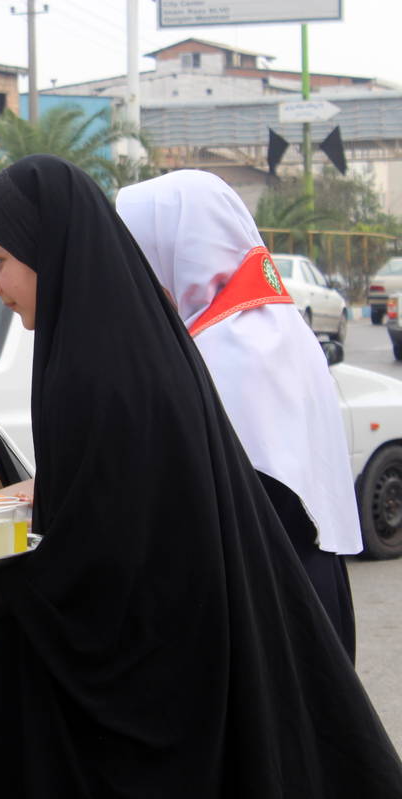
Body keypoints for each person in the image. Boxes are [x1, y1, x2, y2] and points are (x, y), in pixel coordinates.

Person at [0, 155, 402, 797]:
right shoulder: (117, 350)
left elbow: (102, 558)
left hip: (152, 689)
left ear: (48, 251)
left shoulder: (107, 373)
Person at [116, 170, 360, 660]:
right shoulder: (271, 326)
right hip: (306, 579)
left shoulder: (231, 351)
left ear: (176, 250)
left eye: (137, 255)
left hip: (270, 600)